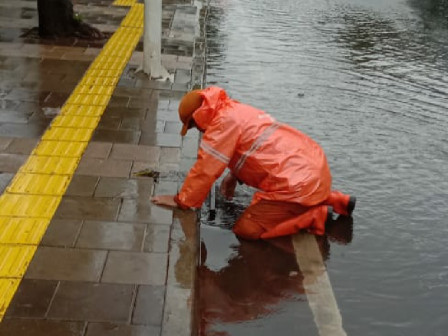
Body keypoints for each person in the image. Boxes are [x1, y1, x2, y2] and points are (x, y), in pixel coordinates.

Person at [151, 86, 356, 239]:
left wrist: (182, 201)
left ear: (198, 117)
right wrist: (232, 176)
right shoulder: (234, 109)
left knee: (246, 231)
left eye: (194, 127)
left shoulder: (220, 126)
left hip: (298, 183)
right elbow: (254, 149)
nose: (199, 131)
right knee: (300, 187)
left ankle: (312, 217)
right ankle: (334, 199)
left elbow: (205, 170)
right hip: (313, 166)